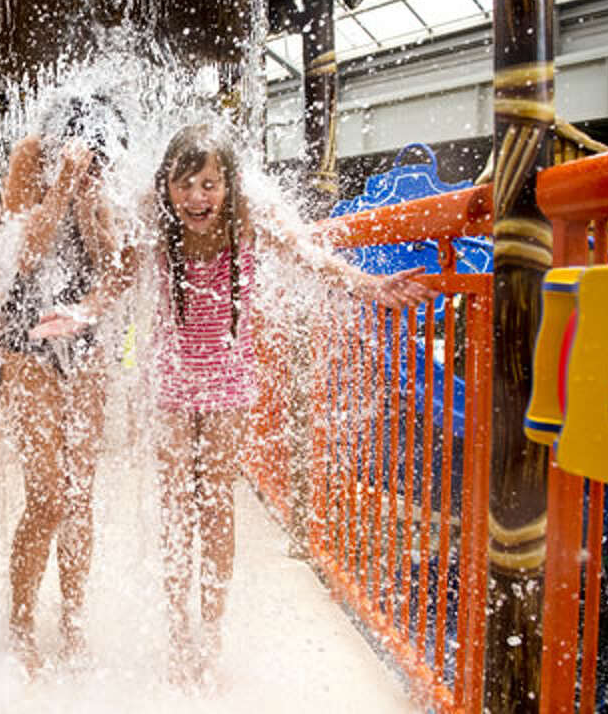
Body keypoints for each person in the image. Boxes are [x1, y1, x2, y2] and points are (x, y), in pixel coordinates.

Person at [31, 123, 435, 685]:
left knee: (215, 499)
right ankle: (177, 630)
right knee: (176, 504)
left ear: (228, 185)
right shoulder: (156, 219)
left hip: (227, 380)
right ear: (166, 185)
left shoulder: (247, 217)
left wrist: (368, 286)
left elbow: (307, 256)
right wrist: (83, 313)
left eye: (208, 185)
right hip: (172, 379)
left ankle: (212, 632)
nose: (197, 198)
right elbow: (120, 277)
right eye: (185, 185)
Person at [0, 96, 126, 674]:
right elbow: (25, 256)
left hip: (86, 336)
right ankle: (21, 621)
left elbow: (111, 264)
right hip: (27, 334)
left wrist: (94, 211)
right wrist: (61, 189)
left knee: (78, 497)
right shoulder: (31, 154)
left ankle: (73, 618)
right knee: (46, 495)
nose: (88, 160)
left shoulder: (105, 166)